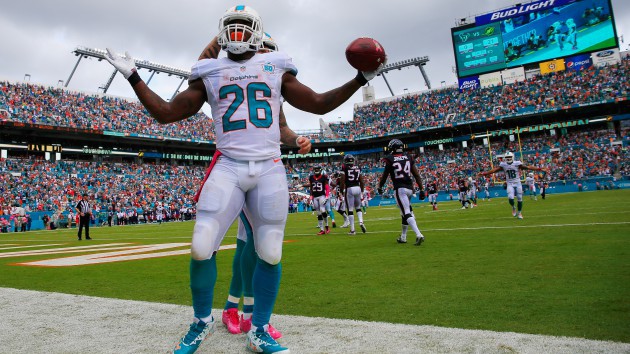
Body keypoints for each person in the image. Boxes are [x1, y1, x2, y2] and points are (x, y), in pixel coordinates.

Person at [105, 5, 382, 354]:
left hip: (268, 167)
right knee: (202, 245)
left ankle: (260, 328)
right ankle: (201, 321)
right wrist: (133, 76)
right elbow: (166, 113)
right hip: (229, 165)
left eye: (243, 25)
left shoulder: (275, 66)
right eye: (231, 26)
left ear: (259, 32)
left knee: (269, 251)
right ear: (220, 34)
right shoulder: (209, 70)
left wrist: (361, 79)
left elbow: (318, 103)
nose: (237, 32)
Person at [200, 32, 307, 340]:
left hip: (265, 167)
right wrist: (219, 38)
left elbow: (281, 126)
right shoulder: (227, 74)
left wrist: (296, 139)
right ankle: (242, 312)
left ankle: (238, 309)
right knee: (249, 246)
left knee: (251, 244)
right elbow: (201, 68)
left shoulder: (268, 84)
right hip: (237, 168)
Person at [376, 139, 426, 245]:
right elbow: (416, 175)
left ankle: (419, 234)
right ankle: (403, 237)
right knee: (405, 212)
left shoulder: (390, 159)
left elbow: (385, 175)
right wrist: (421, 189)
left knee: (406, 212)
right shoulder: (408, 157)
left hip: (400, 189)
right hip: (410, 188)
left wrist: (380, 186)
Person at [478, 152, 546, 219]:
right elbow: (495, 170)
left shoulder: (517, 163)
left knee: (519, 198)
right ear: (505, 158)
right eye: (507, 157)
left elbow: (528, 167)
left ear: (512, 157)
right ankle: (513, 207)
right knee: (510, 198)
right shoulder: (503, 164)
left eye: (509, 157)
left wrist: (539, 169)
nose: (508, 159)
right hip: (510, 183)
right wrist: (485, 173)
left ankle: (519, 213)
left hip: (518, 183)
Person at [339, 154, 367, 235]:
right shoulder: (357, 167)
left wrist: (341, 190)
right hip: (358, 188)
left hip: (350, 188)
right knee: (358, 207)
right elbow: (361, 181)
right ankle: (361, 222)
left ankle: (352, 230)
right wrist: (361, 191)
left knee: (350, 209)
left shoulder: (344, 167)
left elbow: (342, 180)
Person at [309, 165, 331, 235]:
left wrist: (327, 196)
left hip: (322, 196)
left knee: (323, 210)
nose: (316, 170)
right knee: (318, 213)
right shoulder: (311, 177)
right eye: (315, 169)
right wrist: (311, 196)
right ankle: (322, 229)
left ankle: (327, 226)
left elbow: (327, 187)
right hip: (315, 197)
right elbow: (311, 187)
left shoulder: (324, 177)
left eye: (317, 169)